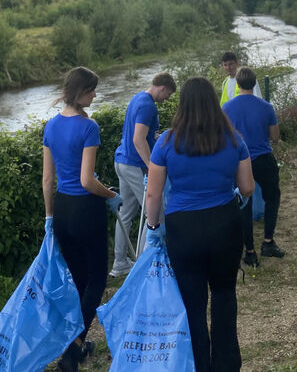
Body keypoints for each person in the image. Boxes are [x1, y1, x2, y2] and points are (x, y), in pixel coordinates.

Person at [145, 77, 255, 372]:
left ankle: (198, 366)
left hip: (183, 230)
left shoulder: (166, 141)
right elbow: (247, 187)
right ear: (213, 103)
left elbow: (154, 193)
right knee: (223, 294)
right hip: (225, 224)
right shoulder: (234, 139)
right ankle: (227, 364)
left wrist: (153, 229)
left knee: (192, 304)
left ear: (183, 104)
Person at [42, 67, 123, 372]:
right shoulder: (90, 128)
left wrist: (50, 217)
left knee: (78, 280)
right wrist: (110, 195)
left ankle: (74, 345)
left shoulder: (51, 126)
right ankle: (73, 348)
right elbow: (88, 180)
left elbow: (48, 179)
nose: (95, 95)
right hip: (86, 209)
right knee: (98, 277)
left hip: (62, 209)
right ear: (80, 92)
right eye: (92, 90)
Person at [109, 72, 176, 277]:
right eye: (168, 95)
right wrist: (152, 167)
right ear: (163, 88)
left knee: (127, 214)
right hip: (134, 165)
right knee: (154, 212)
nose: (167, 100)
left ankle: (120, 263)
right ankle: (143, 263)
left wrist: (153, 136)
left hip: (121, 161)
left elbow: (139, 134)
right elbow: (138, 140)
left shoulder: (138, 97)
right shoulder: (148, 106)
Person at [223, 67, 284, 267]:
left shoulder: (226, 109)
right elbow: (275, 137)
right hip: (263, 158)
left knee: (244, 205)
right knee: (272, 196)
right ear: (254, 83)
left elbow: (223, 138)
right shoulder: (266, 107)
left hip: (239, 160)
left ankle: (249, 252)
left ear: (238, 84)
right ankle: (268, 242)